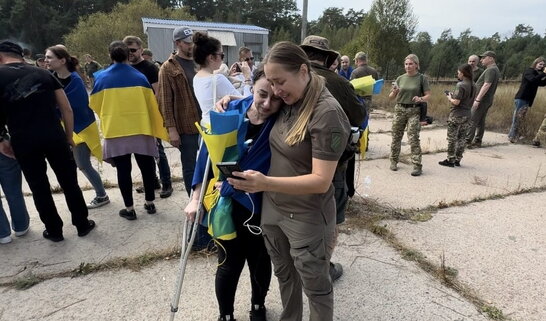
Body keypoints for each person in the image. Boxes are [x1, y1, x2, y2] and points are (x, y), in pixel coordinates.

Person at [226, 41, 350, 321]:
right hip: (274, 212)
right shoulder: (290, 101)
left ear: (303, 71)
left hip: (305, 216)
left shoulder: (326, 113)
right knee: (285, 277)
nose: (276, 91)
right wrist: (234, 99)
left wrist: (265, 183)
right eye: (271, 82)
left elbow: (321, 181)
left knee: (316, 288)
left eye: (280, 82)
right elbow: (260, 102)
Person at [186, 67, 279, 321]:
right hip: (225, 202)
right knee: (228, 262)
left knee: (259, 260)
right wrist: (195, 198)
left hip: (261, 204)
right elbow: (205, 157)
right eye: (262, 94)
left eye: (275, 98)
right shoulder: (230, 112)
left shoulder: (283, 120)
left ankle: (258, 306)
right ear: (251, 88)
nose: (267, 103)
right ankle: (225, 315)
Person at [0, 41, 95, 242]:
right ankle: (82, 224)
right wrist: (69, 136)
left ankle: (54, 230)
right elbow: (66, 108)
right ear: (21, 56)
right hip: (54, 136)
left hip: (23, 141)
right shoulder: (44, 74)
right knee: (69, 182)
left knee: (39, 187)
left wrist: (2, 140)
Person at [300, 35, 366, 282]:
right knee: (331, 218)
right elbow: (359, 116)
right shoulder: (339, 83)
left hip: (293, 163)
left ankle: (300, 261)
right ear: (328, 59)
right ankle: (323, 268)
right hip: (332, 164)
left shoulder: (291, 80)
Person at [89, 41, 168, 220]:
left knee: (123, 171)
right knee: (147, 168)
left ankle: (129, 209)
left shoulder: (102, 78)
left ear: (110, 56)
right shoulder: (140, 77)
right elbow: (151, 104)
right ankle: (150, 203)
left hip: (115, 130)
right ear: (128, 55)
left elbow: (94, 104)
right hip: (141, 128)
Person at [158, 26, 212, 250]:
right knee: (193, 173)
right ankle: (197, 221)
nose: (191, 45)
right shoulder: (168, 68)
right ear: (178, 43)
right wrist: (171, 129)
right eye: (187, 42)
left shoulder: (200, 63)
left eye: (193, 42)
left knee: (208, 172)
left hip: (207, 126)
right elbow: (164, 101)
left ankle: (208, 212)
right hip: (187, 128)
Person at [44, 45, 110, 209]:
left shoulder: (75, 80)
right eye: (45, 57)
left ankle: (102, 195)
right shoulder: (51, 77)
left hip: (80, 128)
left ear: (62, 60)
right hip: (62, 127)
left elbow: (73, 106)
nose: (46, 61)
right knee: (74, 164)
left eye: (49, 57)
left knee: (83, 164)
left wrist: (52, 107)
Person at [123, 35, 173, 198]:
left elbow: (158, 94)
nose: (129, 53)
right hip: (133, 118)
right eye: (126, 50)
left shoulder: (150, 68)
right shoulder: (124, 68)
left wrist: (156, 117)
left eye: (132, 50)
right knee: (143, 152)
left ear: (141, 50)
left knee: (157, 151)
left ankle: (167, 183)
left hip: (150, 116)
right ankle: (152, 182)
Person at [389, 54, 430, 177]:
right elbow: (390, 97)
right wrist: (395, 91)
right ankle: (393, 161)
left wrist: (420, 98)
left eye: (411, 64)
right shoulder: (400, 78)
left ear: (416, 65)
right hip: (400, 109)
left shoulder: (421, 79)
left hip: (414, 110)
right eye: (406, 64)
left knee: (413, 138)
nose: (408, 66)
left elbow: (428, 95)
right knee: (396, 136)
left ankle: (417, 165)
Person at [192, 32, 245, 126]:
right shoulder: (218, 79)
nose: (222, 59)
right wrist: (248, 78)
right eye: (221, 55)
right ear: (211, 57)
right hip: (220, 129)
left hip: (206, 128)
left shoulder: (196, 78)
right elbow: (245, 102)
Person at [439, 64, 476, 167]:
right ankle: (458, 158)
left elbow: (456, 102)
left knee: (452, 138)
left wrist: (449, 98)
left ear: (463, 73)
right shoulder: (474, 85)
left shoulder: (461, 85)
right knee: (462, 138)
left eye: (458, 72)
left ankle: (450, 159)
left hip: (457, 114)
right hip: (467, 114)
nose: (458, 74)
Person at [0, 129, 30, 244]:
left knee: (14, 191)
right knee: (14, 191)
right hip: (3, 143)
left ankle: (2, 233)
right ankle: (21, 226)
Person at [466, 51, 501, 148]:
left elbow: (487, 84)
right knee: (481, 121)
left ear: (491, 58)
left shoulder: (491, 70)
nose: (481, 60)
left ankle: (467, 141)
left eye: (483, 58)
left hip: (482, 100)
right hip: (486, 100)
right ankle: (477, 140)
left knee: (472, 119)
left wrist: (477, 99)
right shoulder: (494, 69)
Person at [508, 57, 546, 143]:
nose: (542, 66)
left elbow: (541, 83)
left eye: (543, 65)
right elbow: (532, 80)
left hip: (527, 99)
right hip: (522, 97)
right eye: (540, 64)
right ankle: (512, 136)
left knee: (521, 117)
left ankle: (514, 135)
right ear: (535, 63)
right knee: (518, 117)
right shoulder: (529, 71)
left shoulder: (536, 73)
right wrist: (543, 74)